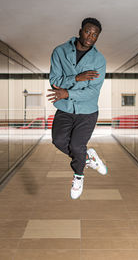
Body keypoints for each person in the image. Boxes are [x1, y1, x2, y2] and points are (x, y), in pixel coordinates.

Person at [47, 17, 107, 199]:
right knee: (58, 141)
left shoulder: (99, 60)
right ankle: (88, 158)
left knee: (76, 145)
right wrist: (76, 78)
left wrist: (68, 92)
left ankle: (78, 176)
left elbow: (93, 91)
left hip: (87, 111)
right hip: (65, 108)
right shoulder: (60, 51)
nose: (90, 37)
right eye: (88, 32)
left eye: (95, 35)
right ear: (80, 30)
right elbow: (55, 81)